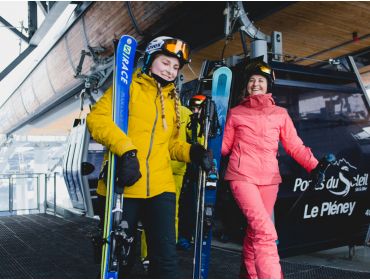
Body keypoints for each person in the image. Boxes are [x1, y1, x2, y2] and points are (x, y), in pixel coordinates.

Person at [86, 36, 212, 278]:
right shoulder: (128, 89)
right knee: (121, 257)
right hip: (124, 184)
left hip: (161, 186)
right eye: (166, 63)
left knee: (166, 258)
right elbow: (96, 120)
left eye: (175, 67)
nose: (171, 71)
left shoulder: (173, 100)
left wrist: (192, 151)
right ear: (151, 60)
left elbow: (172, 145)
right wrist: (127, 150)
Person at [221, 57, 323, 279]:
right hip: (242, 176)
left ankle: (249, 273)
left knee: (255, 231)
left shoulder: (280, 114)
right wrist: (206, 141)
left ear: (268, 85)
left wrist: (313, 166)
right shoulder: (236, 113)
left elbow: (294, 145)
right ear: (246, 85)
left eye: (260, 80)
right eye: (251, 80)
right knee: (265, 232)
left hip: (269, 180)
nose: (255, 84)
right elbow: (224, 148)